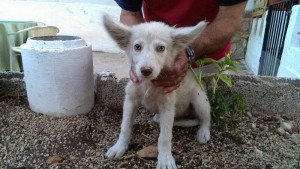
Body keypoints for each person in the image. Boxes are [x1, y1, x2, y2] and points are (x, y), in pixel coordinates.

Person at [114, 0, 248, 94]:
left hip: (208, 61)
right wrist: (138, 55)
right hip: (159, 62)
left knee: (206, 112)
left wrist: (190, 50)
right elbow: (129, 13)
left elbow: (230, 17)